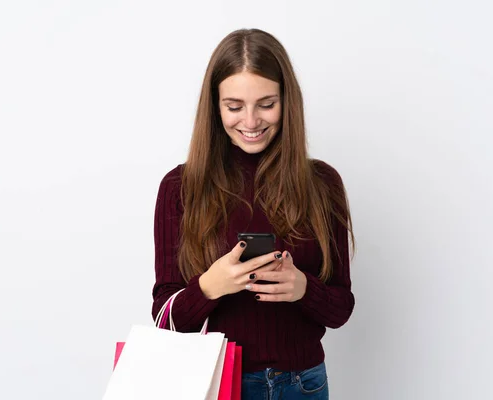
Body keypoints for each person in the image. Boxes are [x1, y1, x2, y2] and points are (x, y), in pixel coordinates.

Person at [151, 28, 355, 400]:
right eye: (234, 106)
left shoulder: (322, 183)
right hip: (216, 382)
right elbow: (164, 318)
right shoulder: (181, 186)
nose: (250, 121)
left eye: (266, 103)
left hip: (304, 383)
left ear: (286, 102)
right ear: (214, 106)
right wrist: (209, 286)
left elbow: (341, 309)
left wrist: (304, 289)